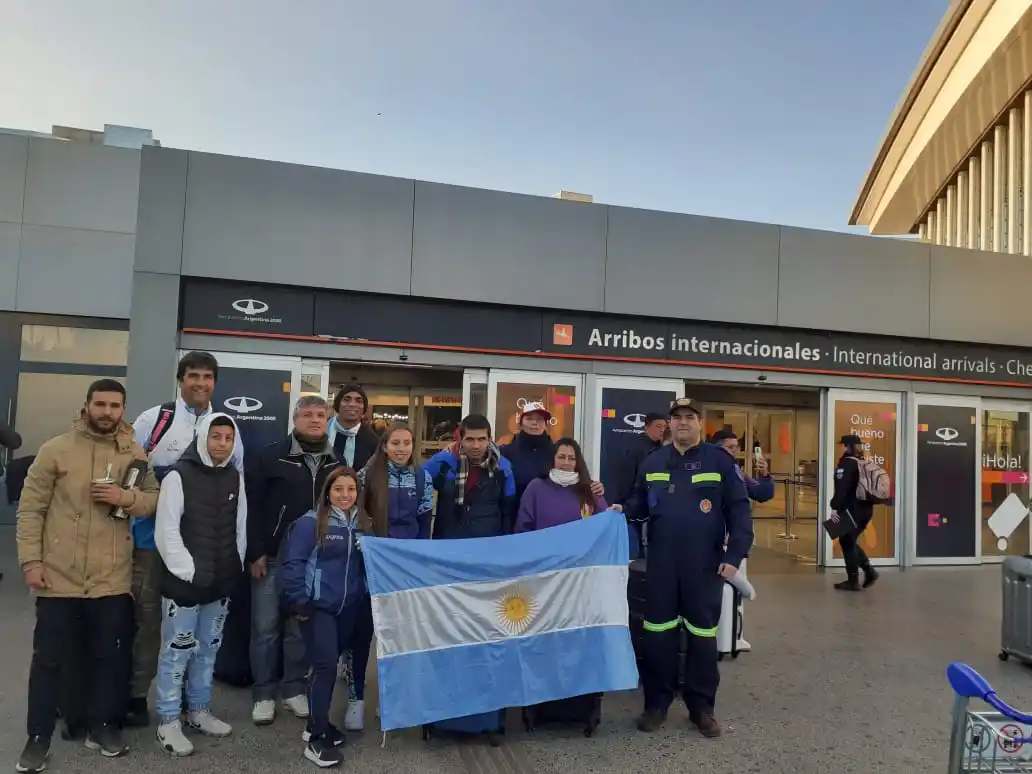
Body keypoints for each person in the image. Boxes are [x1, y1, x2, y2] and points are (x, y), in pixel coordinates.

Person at [15, 379, 160, 773]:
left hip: (111, 579)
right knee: (48, 661)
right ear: (87, 406)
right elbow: (30, 511)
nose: (107, 412)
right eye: (101, 404)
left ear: (123, 409)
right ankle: (38, 739)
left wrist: (124, 498)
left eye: (115, 405)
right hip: (58, 578)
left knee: (108, 659)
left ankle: (103, 727)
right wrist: (31, 562)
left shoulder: (133, 451)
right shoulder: (55, 449)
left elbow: (153, 499)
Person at [125, 351, 242, 728]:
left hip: (205, 549)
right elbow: (129, 473)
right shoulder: (154, 420)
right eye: (193, 375)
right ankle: (136, 696)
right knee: (147, 625)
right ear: (180, 379)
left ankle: (196, 706)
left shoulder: (224, 426)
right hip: (149, 544)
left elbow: (234, 487)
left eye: (207, 377)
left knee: (200, 637)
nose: (200, 383)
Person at [626, 398, 753, 739]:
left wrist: (734, 556)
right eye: (677, 417)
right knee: (658, 634)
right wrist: (618, 510)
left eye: (689, 417)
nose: (683, 422)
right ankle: (657, 704)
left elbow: (739, 511)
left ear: (700, 423)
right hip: (662, 564)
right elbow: (637, 503)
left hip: (704, 565)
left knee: (702, 637)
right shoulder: (653, 461)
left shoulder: (720, 461)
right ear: (669, 423)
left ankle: (702, 708)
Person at [153, 413, 247, 756]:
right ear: (203, 438)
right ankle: (168, 720)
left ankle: (198, 710)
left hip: (219, 583)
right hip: (184, 585)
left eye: (228, 438)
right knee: (177, 652)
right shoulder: (178, 476)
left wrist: (234, 565)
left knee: (208, 650)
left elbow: (240, 525)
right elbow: (166, 531)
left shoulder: (234, 476)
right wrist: (189, 571)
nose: (222, 443)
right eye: (215, 436)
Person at [246, 395, 338, 726]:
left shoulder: (335, 461)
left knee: (299, 629)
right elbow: (251, 506)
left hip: (312, 561)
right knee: (265, 629)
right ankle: (263, 694)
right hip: (271, 557)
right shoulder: (270, 456)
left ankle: (294, 688)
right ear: (295, 419)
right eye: (307, 414)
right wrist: (255, 551)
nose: (315, 420)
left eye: (321, 415)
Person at [337, 423, 432, 732]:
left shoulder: (422, 477)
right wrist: (364, 541)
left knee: (399, 636)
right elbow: (355, 513)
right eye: (395, 443)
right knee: (363, 634)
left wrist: (419, 560)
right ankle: (356, 699)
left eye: (407, 443)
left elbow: (424, 523)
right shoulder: (367, 475)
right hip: (372, 564)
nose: (401, 449)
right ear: (385, 446)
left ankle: (390, 698)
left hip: (404, 570)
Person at [281, 467, 372, 768]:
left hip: (349, 608)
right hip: (318, 608)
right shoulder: (311, 522)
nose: (345, 495)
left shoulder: (363, 524)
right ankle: (317, 740)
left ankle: (315, 724)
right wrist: (299, 601)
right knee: (325, 667)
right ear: (327, 491)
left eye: (351, 489)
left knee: (327, 667)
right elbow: (293, 563)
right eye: (338, 489)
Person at [425, 414, 517, 539]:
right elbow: (415, 488)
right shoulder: (442, 463)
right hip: (448, 542)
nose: (476, 445)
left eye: (481, 439)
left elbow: (508, 511)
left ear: (489, 440)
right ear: (461, 439)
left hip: (488, 543)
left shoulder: (503, 468)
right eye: (470, 439)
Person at [501, 401, 605, 503]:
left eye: (540, 419)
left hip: (551, 509)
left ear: (546, 425)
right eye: (529, 418)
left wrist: (593, 487)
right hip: (516, 511)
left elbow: (575, 476)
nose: (535, 423)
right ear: (521, 424)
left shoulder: (556, 452)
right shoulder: (506, 452)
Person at [516, 437, 614, 532]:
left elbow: (605, 524)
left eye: (571, 458)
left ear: (577, 462)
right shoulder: (536, 487)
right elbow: (523, 527)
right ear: (553, 459)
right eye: (561, 457)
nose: (566, 462)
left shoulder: (591, 488)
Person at [828, 434, 879, 592]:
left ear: (846, 446)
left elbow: (842, 489)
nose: (839, 448)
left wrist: (834, 507)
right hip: (865, 510)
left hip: (852, 510)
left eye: (841, 445)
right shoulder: (862, 461)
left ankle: (854, 580)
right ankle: (868, 571)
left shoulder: (846, 464)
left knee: (847, 541)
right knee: (848, 541)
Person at [709, 429, 775, 503]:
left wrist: (764, 474)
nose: (735, 451)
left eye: (736, 447)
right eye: (731, 447)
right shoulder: (705, 468)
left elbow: (761, 493)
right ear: (717, 449)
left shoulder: (736, 472)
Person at [327, 384, 379, 470]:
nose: (352, 404)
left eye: (358, 401)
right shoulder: (321, 432)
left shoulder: (373, 441)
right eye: (346, 399)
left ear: (364, 409)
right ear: (338, 404)